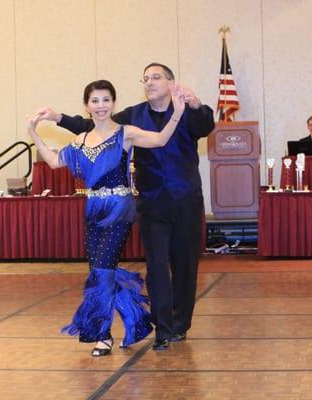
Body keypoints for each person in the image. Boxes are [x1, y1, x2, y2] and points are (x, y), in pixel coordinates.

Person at [36, 63, 215, 351]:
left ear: (171, 83)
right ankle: (163, 329)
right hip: (152, 202)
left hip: (186, 200)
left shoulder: (187, 111)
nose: (150, 82)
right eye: (145, 79)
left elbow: (206, 126)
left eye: (156, 77)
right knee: (156, 266)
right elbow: (95, 126)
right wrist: (57, 117)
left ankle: (180, 325)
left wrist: (195, 104)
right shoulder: (133, 115)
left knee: (184, 265)